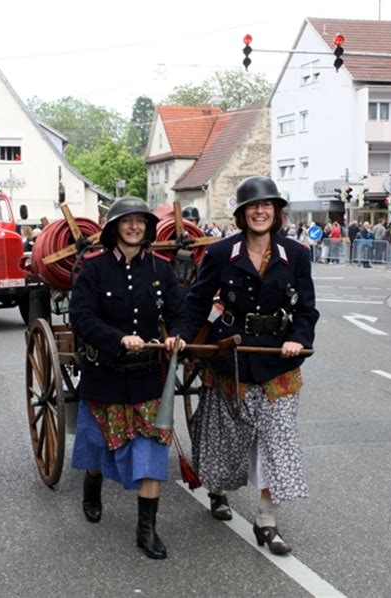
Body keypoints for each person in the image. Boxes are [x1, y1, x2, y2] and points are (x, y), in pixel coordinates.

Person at [172, 176, 319, 554]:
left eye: (267, 205)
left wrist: (298, 340)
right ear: (241, 214)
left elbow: (306, 309)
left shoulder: (297, 255)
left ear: (277, 212)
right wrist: (183, 336)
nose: (259, 211)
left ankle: (267, 521)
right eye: (252, 206)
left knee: (278, 441)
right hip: (230, 357)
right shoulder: (221, 253)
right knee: (227, 440)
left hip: (278, 363)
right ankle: (217, 490)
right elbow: (197, 301)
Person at [69, 196, 186, 560]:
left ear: (148, 228)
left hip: (149, 379)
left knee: (152, 450)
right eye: (127, 221)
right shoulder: (93, 268)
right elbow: (81, 318)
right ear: (114, 227)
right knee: (96, 447)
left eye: (141, 221)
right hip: (105, 374)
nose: (135, 227)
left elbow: (179, 312)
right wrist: (117, 338)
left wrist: (176, 335)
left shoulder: (162, 269)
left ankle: (146, 529)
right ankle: (92, 485)